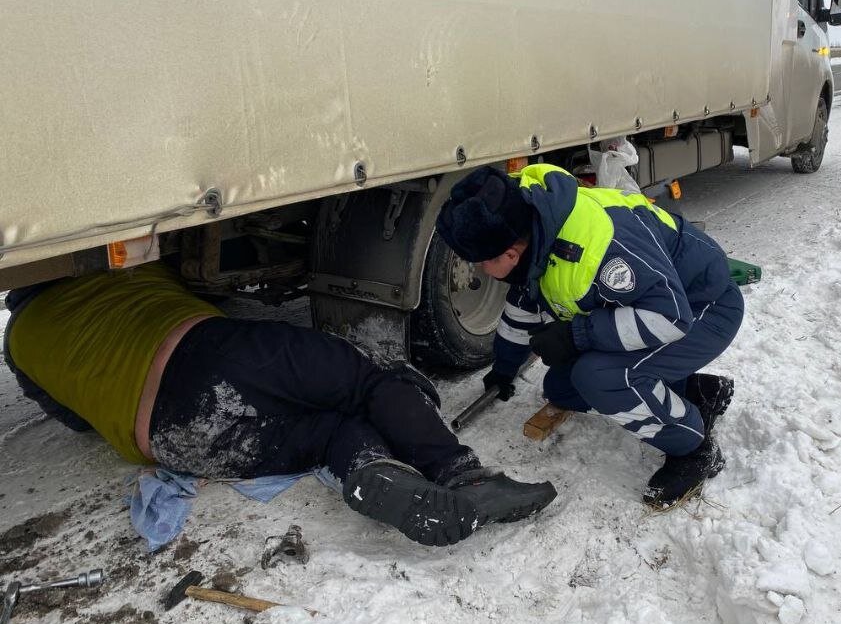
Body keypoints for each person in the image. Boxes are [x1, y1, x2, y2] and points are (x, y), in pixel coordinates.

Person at [2, 263, 556, 547]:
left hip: (167, 437)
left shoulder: (18, 342)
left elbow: (75, 421)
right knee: (365, 381)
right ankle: (462, 474)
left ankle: (373, 474)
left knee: (330, 434)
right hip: (207, 355)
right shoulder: (114, 268)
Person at [436, 164, 744, 507]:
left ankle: (692, 444)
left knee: (599, 377)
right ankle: (697, 391)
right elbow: (522, 308)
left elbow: (669, 318)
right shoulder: (536, 236)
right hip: (663, 309)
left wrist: (576, 335)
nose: (480, 270)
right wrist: (504, 368)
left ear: (509, 254)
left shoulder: (603, 248)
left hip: (702, 309)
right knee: (562, 389)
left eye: (481, 262)